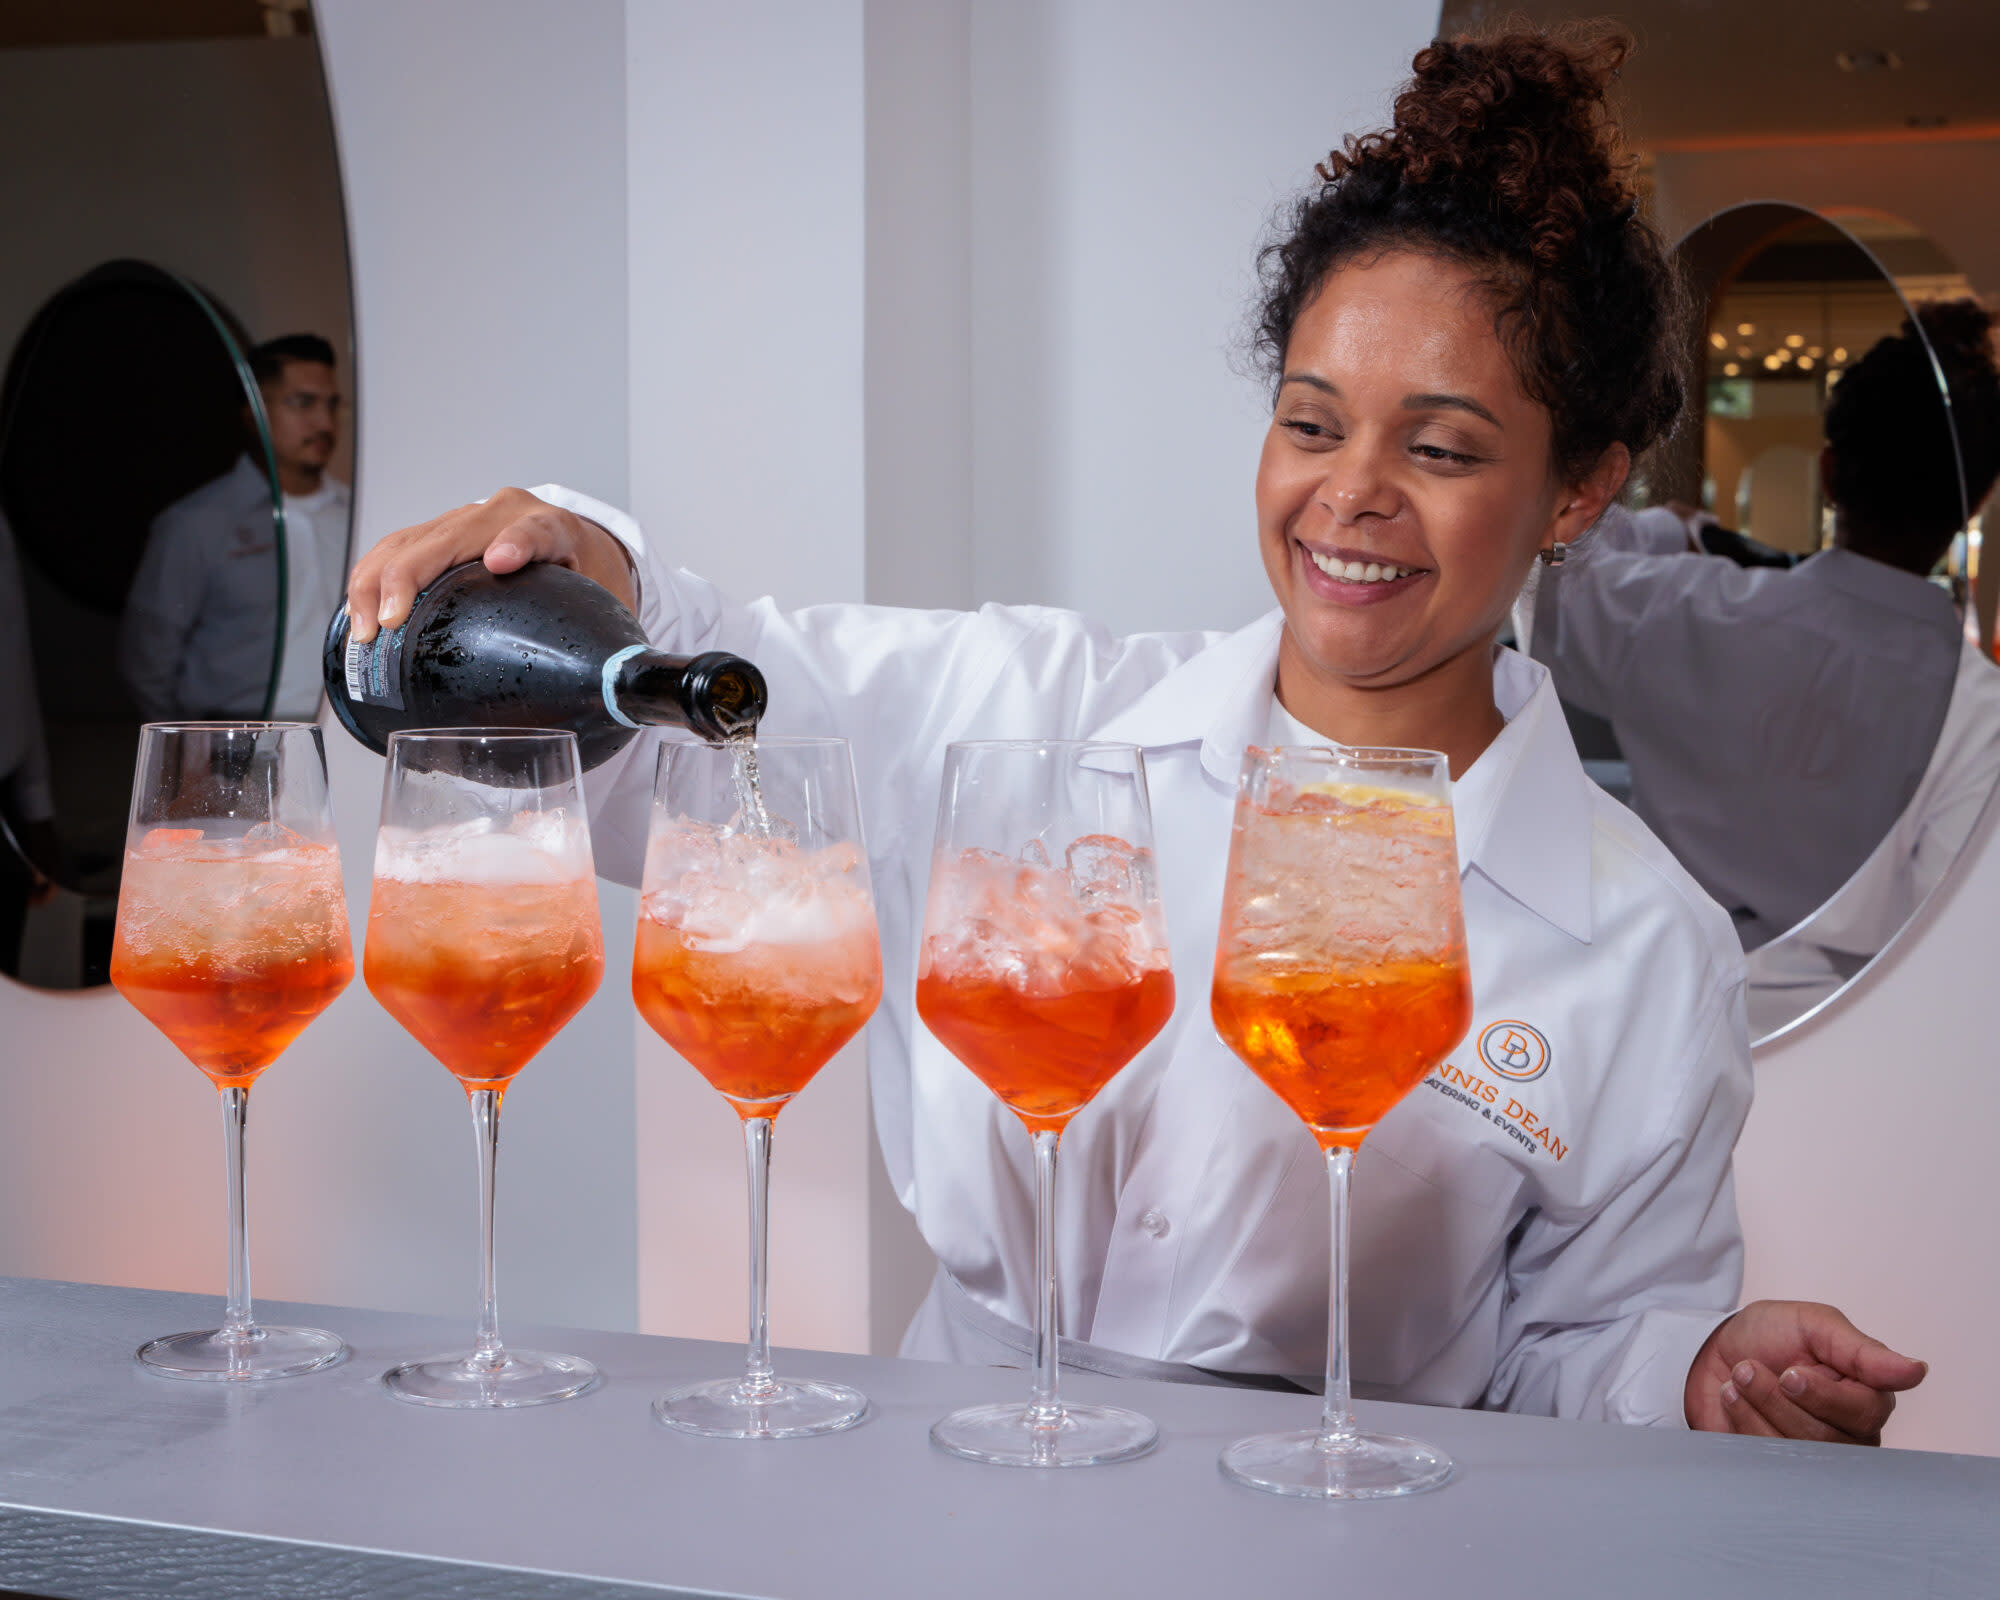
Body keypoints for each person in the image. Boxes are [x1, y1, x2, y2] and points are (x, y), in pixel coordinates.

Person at [345, 26, 1924, 1442]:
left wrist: (1693, 1378)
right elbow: (714, 706)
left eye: (1441, 447)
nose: (1352, 494)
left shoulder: (1639, 941)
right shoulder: (1027, 720)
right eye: (1312, 422)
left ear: (1576, 489)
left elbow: (1574, 1364)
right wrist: (595, 569)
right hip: (955, 1489)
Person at [1529, 302, 2000, 949]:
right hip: (1862, 1025)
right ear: (1974, 498)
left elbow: (1551, 573)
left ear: (1829, 477)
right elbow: (1950, 932)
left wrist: (1670, 528)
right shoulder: (1978, 712)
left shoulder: (1691, 609)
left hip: (1662, 981)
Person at [118, 333, 352, 721]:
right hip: (231, 745)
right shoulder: (196, 523)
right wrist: (191, 755)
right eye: (303, 403)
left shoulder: (355, 512)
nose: (325, 422)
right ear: (253, 411)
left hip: (342, 740)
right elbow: (146, 662)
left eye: (333, 405)